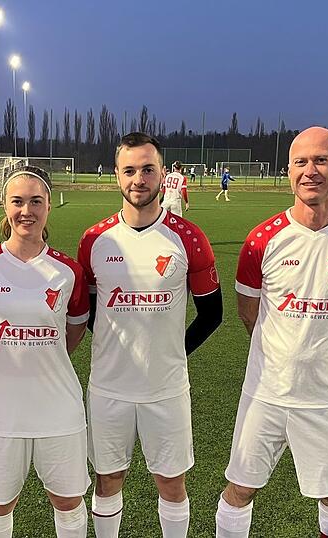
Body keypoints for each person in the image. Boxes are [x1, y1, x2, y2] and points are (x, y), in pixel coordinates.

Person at [215, 127, 328, 538]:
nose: (311, 171)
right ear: (289, 170)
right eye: (301, 162)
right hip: (267, 392)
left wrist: (318, 347)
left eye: (322, 160)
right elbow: (249, 313)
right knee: (240, 489)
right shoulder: (261, 240)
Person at [77, 132, 223, 538]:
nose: (138, 179)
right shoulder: (94, 239)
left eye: (147, 169)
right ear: (117, 176)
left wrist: (174, 353)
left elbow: (212, 314)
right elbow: (87, 310)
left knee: (171, 483)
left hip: (166, 387)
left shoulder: (189, 238)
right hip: (109, 387)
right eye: (129, 170)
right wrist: (115, 342)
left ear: (163, 173)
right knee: (108, 480)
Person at [0, 164, 91, 538]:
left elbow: (75, 328)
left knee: (68, 500)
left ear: (49, 206)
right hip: (1, 405)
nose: (27, 211)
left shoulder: (68, 271)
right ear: (4, 206)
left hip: (58, 405)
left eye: (36, 201)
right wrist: (5, 356)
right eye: (17, 201)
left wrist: (43, 357)